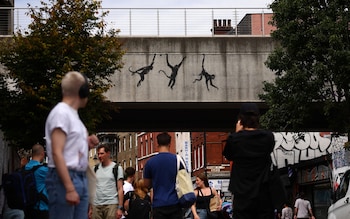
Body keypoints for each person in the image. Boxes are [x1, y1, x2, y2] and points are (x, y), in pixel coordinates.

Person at [45, 71, 99, 219]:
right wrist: (69, 188)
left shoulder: (74, 117)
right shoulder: (60, 113)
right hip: (65, 178)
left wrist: (86, 142)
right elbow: (57, 152)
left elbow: (69, 149)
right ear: (82, 91)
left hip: (79, 177)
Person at [222, 102, 281, 219]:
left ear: (241, 119)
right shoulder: (268, 137)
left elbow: (228, 155)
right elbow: (269, 149)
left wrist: (238, 133)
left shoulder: (235, 139)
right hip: (263, 192)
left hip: (242, 193)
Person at [143, 132, 183, 219]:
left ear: (157, 143)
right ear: (170, 143)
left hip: (158, 204)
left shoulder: (150, 162)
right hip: (175, 202)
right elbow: (184, 180)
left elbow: (146, 184)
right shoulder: (177, 160)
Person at [90, 144, 124, 219]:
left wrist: (120, 208)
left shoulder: (117, 168)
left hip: (111, 204)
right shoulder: (95, 169)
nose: (99, 156)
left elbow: (120, 189)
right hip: (96, 205)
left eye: (102, 153)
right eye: (98, 154)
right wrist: (90, 207)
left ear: (108, 153)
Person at [24, 144, 49, 219]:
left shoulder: (25, 168)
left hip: (27, 208)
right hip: (41, 208)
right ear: (42, 154)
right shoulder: (43, 170)